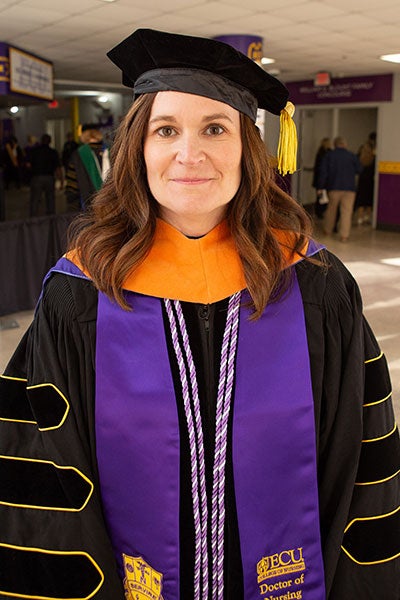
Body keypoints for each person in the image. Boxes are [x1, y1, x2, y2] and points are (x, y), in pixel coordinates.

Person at [0, 28, 399, 600]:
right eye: (166, 130)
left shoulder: (316, 284)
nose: (190, 154)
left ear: (247, 148)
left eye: (215, 128)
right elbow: (43, 470)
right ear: (139, 149)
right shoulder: (80, 291)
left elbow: (362, 459)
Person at [317, 136, 361, 242]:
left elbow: (323, 172)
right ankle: (344, 235)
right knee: (347, 212)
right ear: (345, 144)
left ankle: (328, 231)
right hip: (350, 189)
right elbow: (359, 169)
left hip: (334, 187)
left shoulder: (329, 155)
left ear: (335, 145)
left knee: (331, 210)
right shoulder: (352, 155)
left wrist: (320, 187)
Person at [65, 123, 110, 210]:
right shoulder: (111, 150)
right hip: (112, 203)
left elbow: (72, 186)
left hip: (88, 205)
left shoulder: (78, 154)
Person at [29, 133, 63, 216]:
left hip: (37, 177)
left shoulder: (34, 151)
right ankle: (51, 218)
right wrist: (61, 180)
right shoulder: (53, 152)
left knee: (35, 199)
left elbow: (28, 165)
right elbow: (58, 168)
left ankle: (32, 217)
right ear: (50, 141)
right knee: (50, 199)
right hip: (49, 178)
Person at [355, 131, 376, 225]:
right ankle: (367, 218)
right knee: (369, 201)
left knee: (361, 201)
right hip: (370, 181)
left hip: (362, 181)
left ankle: (359, 219)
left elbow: (357, 168)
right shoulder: (374, 157)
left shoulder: (360, 156)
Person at [312, 137, 331, 219]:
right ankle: (320, 212)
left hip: (320, 179)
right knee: (322, 197)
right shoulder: (325, 154)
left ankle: (319, 212)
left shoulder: (320, 153)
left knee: (321, 197)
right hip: (322, 180)